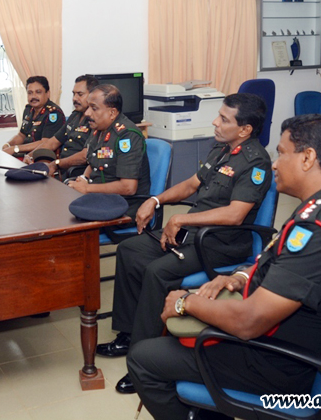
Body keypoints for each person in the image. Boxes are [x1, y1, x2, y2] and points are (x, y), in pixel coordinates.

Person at [127, 114, 321, 419]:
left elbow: (249, 322)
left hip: (276, 365)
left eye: (281, 152)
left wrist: (185, 302)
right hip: (291, 342)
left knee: (143, 358)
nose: (274, 164)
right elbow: (284, 265)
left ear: (307, 158)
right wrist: (236, 277)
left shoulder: (320, 229)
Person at [97, 93, 272, 394]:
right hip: (194, 235)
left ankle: (143, 357)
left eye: (224, 119)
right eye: (218, 115)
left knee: (156, 271)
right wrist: (155, 199)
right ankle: (127, 333)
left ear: (245, 130)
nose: (215, 122)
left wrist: (180, 220)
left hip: (220, 244)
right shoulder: (221, 150)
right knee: (129, 250)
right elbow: (191, 185)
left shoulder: (256, 163)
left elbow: (235, 214)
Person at [67, 84, 150, 219]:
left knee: (66, 221)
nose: (87, 113)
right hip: (100, 197)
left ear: (112, 113)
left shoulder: (127, 136)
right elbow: (95, 159)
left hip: (122, 204)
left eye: (94, 108)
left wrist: (87, 189)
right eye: (88, 107)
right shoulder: (99, 128)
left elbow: (128, 187)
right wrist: (83, 178)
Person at [28, 75, 99, 179]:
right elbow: (53, 142)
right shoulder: (75, 116)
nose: (75, 98)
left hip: (78, 174)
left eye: (80, 94)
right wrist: (30, 156)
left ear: (93, 96)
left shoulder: (97, 120)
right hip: (62, 170)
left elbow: (85, 156)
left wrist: (56, 164)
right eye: (74, 94)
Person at [2, 76, 65, 156]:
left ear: (47, 93)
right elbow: (21, 135)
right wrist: (8, 145)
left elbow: (45, 142)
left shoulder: (53, 113)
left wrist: (16, 149)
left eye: (38, 92)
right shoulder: (28, 110)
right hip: (25, 155)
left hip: (43, 157)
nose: (33, 96)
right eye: (30, 93)